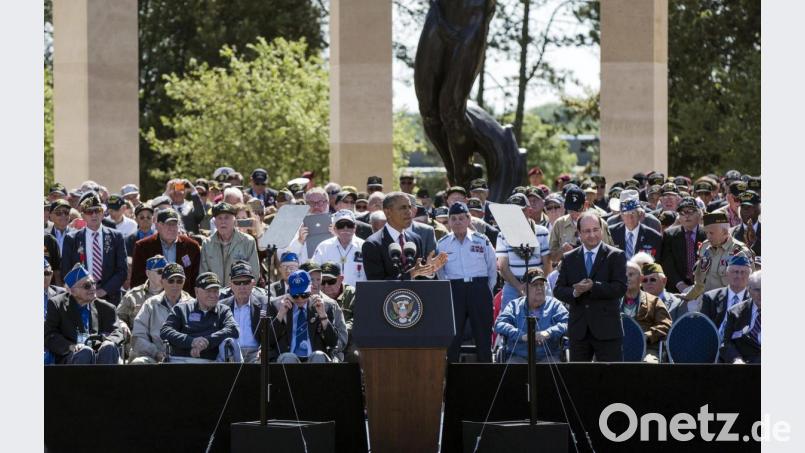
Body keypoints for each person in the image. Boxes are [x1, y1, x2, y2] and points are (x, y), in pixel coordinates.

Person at [554, 211, 627, 362]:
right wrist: (575, 292)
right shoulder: (569, 258)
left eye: (595, 230)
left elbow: (620, 288)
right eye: (587, 231)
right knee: (580, 380)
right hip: (579, 330)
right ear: (579, 233)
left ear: (601, 230)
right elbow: (558, 290)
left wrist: (593, 287)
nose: (592, 235)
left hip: (607, 329)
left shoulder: (615, 255)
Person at [436, 202, 498, 363]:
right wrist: (448, 290)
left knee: (483, 338)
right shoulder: (442, 244)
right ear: (449, 221)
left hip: (479, 288)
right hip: (455, 290)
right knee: (453, 339)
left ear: (469, 219)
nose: (457, 222)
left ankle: (486, 380)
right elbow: (439, 271)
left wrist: (485, 289)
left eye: (461, 218)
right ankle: (452, 382)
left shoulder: (481, 240)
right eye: (453, 219)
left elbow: (492, 267)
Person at [45, 264, 125, 364]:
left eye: (94, 283)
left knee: (109, 347)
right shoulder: (57, 304)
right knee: (85, 352)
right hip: (72, 356)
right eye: (87, 286)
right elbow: (49, 335)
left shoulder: (106, 308)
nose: (93, 288)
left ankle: (106, 380)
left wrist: (105, 340)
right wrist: (71, 346)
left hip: (100, 353)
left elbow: (117, 333)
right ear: (73, 291)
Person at [60, 193, 128, 305]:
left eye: (97, 211)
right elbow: (66, 271)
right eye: (89, 212)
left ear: (103, 214)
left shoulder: (116, 237)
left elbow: (122, 271)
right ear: (82, 215)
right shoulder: (72, 238)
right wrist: (84, 291)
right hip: (81, 298)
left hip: (110, 296)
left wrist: (103, 291)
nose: (94, 215)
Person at [362, 192, 447, 280]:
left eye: (409, 207)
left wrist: (428, 270)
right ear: (387, 212)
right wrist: (410, 274)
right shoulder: (372, 244)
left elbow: (420, 278)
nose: (408, 212)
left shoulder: (415, 239)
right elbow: (376, 284)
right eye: (403, 207)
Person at [160, 272, 242, 363]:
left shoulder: (223, 310)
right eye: (208, 291)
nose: (213, 295)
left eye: (215, 291)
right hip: (182, 361)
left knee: (232, 341)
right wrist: (191, 341)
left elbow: (234, 329)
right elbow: (165, 330)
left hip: (215, 363)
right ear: (196, 291)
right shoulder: (181, 309)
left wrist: (207, 341)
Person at [494, 268, 568, 363]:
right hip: (519, 356)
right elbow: (499, 324)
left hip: (548, 357)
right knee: (511, 371)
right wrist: (521, 336)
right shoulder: (514, 305)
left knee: (555, 369)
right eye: (535, 285)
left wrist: (548, 333)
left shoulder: (554, 305)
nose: (539, 288)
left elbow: (567, 323)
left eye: (541, 284)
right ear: (524, 289)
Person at [266, 270, 338, 363]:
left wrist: (323, 316)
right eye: (295, 295)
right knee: (288, 358)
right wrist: (280, 314)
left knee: (318, 356)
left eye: (304, 295)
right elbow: (268, 341)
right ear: (289, 290)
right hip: (287, 356)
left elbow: (332, 342)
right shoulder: (276, 305)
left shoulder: (325, 306)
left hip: (313, 356)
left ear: (311, 289)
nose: (300, 299)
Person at [683, 212, 754, 301]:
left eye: (711, 233)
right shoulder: (705, 247)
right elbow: (700, 284)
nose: (708, 237)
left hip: (728, 304)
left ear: (724, 232)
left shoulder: (740, 252)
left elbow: (748, 286)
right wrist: (687, 297)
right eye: (706, 233)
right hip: (707, 303)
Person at [130, 263, 193, 363]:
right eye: (171, 281)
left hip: (186, 358)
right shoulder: (150, 304)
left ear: (184, 282)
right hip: (155, 358)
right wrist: (156, 353)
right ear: (162, 281)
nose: (175, 285)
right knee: (139, 363)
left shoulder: (193, 305)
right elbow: (138, 337)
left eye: (179, 281)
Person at [496, 194, 552, 306]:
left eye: (521, 211)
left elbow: (547, 264)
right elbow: (503, 267)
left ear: (529, 211)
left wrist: (536, 285)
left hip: (538, 282)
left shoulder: (542, 232)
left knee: (545, 319)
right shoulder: (503, 234)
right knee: (507, 321)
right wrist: (520, 287)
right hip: (513, 284)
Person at [131, 208, 201, 296]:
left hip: (184, 301)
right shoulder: (143, 247)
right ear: (157, 225)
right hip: (153, 301)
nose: (171, 228)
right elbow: (137, 280)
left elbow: (196, 279)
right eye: (167, 224)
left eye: (175, 224)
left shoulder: (192, 246)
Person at [200, 202, 260, 286]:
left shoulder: (248, 242)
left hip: (240, 294)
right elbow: (203, 275)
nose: (223, 222)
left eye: (227, 218)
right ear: (215, 222)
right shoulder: (207, 244)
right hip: (215, 295)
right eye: (219, 218)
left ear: (234, 220)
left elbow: (254, 274)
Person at [622, 261, 672, 362]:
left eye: (631, 274)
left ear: (640, 278)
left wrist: (646, 336)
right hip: (618, 347)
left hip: (647, 349)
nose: (627, 278)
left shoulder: (654, 301)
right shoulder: (614, 302)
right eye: (625, 275)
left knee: (648, 364)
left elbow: (665, 325)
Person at [548, 187, 613, 263]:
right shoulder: (559, 224)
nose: (574, 214)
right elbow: (552, 258)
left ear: (586, 205)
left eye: (578, 210)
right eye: (571, 210)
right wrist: (562, 251)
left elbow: (608, 253)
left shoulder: (599, 223)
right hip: (567, 272)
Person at [220, 262, 267, 363]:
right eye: (237, 282)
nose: (242, 286)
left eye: (246, 282)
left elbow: (272, 335)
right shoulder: (222, 306)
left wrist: (264, 349)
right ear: (230, 284)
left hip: (255, 353)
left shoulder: (265, 303)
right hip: (230, 352)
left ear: (253, 283)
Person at [660, 198, 706, 293]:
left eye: (690, 211)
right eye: (682, 212)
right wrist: (680, 285)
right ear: (679, 217)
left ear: (699, 214)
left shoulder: (707, 234)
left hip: (704, 287)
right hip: (676, 289)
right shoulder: (669, 235)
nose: (686, 216)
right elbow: (667, 263)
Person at [312, 209, 366, 286]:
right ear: (334, 229)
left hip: (358, 294)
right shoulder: (323, 246)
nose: (345, 228)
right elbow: (315, 272)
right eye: (341, 225)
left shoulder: (364, 246)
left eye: (349, 225)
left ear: (355, 228)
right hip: (329, 293)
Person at [117, 255, 167, 335]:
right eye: (160, 272)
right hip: (138, 343)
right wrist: (123, 325)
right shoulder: (132, 295)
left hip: (164, 342)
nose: (164, 276)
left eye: (166, 272)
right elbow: (118, 317)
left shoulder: (173, 294)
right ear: (148, 273)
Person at [700, 254, 752, 330]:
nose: (739, 276)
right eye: (735, 272)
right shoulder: (710, 298)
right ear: (727, 274)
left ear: (749, 276)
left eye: (743, 272)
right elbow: (703, 327)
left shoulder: (753, 300)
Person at [319, 261, 358, 362]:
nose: (326, 286)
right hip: (322, 340)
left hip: (348, 340)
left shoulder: (353, 294)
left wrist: (342, 330)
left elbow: (359, 318)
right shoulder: (316, 296)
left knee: (356, 355)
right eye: (322, 282)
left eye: (331, 281)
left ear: (340, 279)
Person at [608, 191, 663, 261]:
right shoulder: (611, 233)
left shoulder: (654, 237)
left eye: (633, 212)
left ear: (640, 214)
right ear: (621, 215)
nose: (630, 217)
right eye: (626, 213)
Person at [720, 270, 761, 364]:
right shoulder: (735, 313)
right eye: (757, 290)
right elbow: (726, 342)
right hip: (745, 364)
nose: (761, 294)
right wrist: (736, 359)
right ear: (749, 289)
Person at [731, 190, 761, 257]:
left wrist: (755, 242)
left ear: (758, 209)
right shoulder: (731, 232)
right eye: (743, 207)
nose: (745, 211)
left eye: (749, 207)